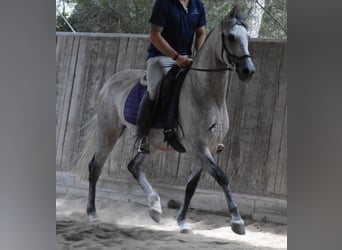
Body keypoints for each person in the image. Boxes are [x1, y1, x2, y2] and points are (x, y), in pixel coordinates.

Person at [136, 0, 207, 154]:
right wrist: (176, 57)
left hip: (187, 58)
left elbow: (201, 33)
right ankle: (142, 136)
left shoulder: (197, 5)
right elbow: (155, 35)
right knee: (154, 91)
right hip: (161, 57)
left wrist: (199, 55)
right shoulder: (164, 3)